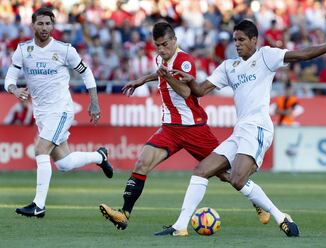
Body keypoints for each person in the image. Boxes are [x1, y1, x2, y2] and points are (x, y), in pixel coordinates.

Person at [154, 20, 326, 237]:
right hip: (240, 130)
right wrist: (191, 80)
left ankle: (279, 216)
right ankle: (180, 226)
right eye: (234, 40)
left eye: (241, 40)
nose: (237, 44)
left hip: (259, 127)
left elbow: (301, 54)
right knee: (201, 170)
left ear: (254, 40)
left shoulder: (265, 56)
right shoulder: (228, 66)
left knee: (237, 179)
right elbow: (201, 90)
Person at [98, 21, 270, 232]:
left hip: (193, 128)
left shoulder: (185, 60)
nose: (161, 49)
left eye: (164, 44)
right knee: (142, 163)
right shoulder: (160, 58)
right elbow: (161, 71)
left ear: (174, 41)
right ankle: (124, 214)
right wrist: (143, 79)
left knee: (225, 174)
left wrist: (167, 76)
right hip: (169, 128)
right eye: (157, 45)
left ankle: (258, 202)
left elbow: (187, 92)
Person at [4, 7, 113, 218]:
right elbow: (10, 78)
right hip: (42, 113)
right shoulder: (23, 50)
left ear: (53, 26)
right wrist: (14, 89)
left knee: (40, 149)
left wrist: (94, 102)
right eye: (41, 23)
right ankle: (99, 156)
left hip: (61, 109)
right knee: (64, 163)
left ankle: (39, 205)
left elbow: (86, 73)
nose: (45, 28)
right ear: (33, 25)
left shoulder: (65, 50)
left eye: (48, 24)